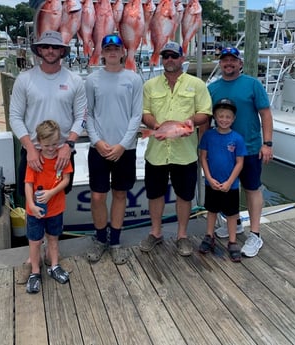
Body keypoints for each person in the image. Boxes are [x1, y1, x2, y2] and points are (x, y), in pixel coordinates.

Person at [9, 30, 87, 279]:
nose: (51, 51)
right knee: (31, 202)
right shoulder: (25, 79)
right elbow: (15, 117)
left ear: (63, 51)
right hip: (34, 153)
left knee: (56, 202)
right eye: (46, 47)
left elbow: (81, 117)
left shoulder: (75, 81)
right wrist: (30, 148)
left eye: (56, 47)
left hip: (62, 152)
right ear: (39, 50)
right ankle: (34, 254)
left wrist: (69, 144)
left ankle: (53, 253)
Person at [139, 41, 212, 256]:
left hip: (185, 152)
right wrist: (155, 127)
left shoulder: (197, 84)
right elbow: (145, 113)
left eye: (174, 55)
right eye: (166, 56)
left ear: (182, 58)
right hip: (157, 152)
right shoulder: (149, 85)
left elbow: (205, 112)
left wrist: (190, 122)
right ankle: (156, 232)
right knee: (155, 194)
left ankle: (182, 235)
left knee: (184, 195)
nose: (169, 59)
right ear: (161, 59)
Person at [208, 47, 274, 257]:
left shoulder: (253, 84)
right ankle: (234, 224)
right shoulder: (213, 88)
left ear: (240, 63)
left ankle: (255, 234)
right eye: (225, 60)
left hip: (251, 147)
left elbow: (265, 114)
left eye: (233, 60)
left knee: (252, 189)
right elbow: (206, 119)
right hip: (223, 152)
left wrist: (268, 144)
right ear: (220, 64)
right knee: (226, 189)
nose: (229, 63)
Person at [85, 34, 143, 265]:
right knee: (98, 196)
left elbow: (136, 115)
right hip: (98, 147)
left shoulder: (134, 79)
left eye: (116, 48)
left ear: (123, 53)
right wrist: (98, 141)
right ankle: (101, 239)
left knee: (120, 194)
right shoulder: (92, 80)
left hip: (125, 149)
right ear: (102, 52)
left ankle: (116, 241)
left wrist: (122, 145)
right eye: (107, 48)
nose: (111, 52)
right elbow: (88, 114)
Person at [25, 120, 73, 293]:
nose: (51, 148)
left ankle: (54, 266)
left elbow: (66, 180)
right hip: (35, 210)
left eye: (54, 144)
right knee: (35, 241)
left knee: (53, 239)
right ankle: (35, 272)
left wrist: (51, 193)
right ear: (39, 143)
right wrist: (31, 204)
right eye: (46, 145)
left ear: (59, 140)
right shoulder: (35, 160)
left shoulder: (63, 158)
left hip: (55, 208)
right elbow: (28, 184)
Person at [198, 98, 247, 262]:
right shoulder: (208, 136)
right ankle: (209, 236)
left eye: (228, 117)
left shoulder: (237, 139)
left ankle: (232, 241)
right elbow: (203, 158)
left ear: (233, 119)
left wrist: (229, 182)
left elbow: (240, 162)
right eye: (221, 116)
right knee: (211, 211)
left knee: (232, 214)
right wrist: (209, 178)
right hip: (212, 183)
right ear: (215, 117)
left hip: (230, 185)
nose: (224, 120)